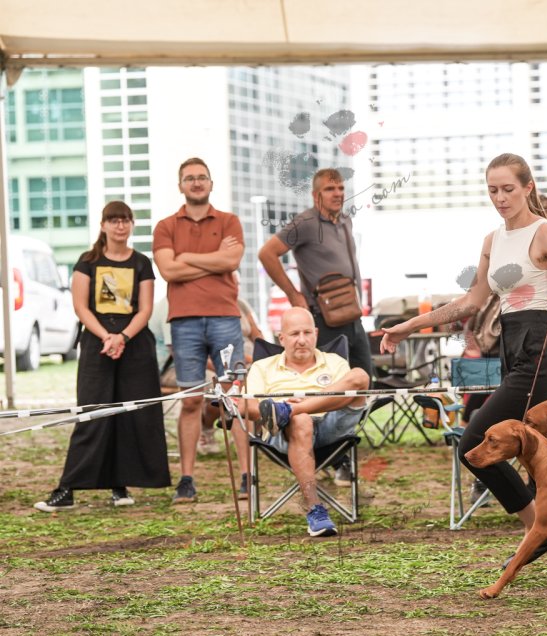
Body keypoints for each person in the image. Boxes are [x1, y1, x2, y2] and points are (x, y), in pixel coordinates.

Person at [381, 153, 547, 566]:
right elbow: (471, 302)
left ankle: (541, 529)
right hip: (512, 346)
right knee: (546, 457)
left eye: (508, 189)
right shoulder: (492, 241)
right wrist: (410, 325)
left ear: (528, 187)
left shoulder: (546, 231)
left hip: (540, 348)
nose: (500, 198)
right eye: (493, 190)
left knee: (475, 444)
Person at [35, 202, 170, 511]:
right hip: (98, 343)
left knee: (130, 414)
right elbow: (80, 306)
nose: (120, 226)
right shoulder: (88, 261)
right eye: (114, 220)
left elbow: (145, 309)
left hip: (134, 344)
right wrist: (107, 337)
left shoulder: (141, 262)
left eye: (125, 220)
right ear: (103, 225)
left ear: (132, 225)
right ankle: (67, 488)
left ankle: (120, 485)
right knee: (92, 414)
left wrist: (123, 337)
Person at [152, 157, 250, 503]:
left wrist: (187, 258)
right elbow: (168, 271)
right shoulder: (165, 226)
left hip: (225, 317)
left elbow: (231, 261)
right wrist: (213, 261)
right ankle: (187, 480)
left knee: (235, 398)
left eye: (202, 177)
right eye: (189, 178)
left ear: (211, 183)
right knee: (191, 401)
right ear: (180, 185)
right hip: (185, 322)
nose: (196, 182)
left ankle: (247, 475)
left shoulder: (229, 221)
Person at [242, 307, 370, 536]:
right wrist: (287, 410)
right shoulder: (262, 367)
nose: (302, 340)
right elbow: (249, 408)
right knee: (301, 420)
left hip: (332, 426)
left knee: (360, 375)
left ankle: (289, 410)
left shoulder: (335, 362)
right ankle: (315, 509)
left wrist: (294, 407)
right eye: (294, 334)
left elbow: (350, 395)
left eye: (307, 333)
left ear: (316, 334)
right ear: (281, 338)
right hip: (284, 433)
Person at [258, 168, 373, 377]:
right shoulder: (306, 223)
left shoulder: (345, 220)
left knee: (365, 380)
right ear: (315, 195)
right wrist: (293, 294)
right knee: (329, 382)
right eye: (329, 189)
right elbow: (267, 253)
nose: (337, 193)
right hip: (324, 319)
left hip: (353, 317)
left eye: (341, 188)